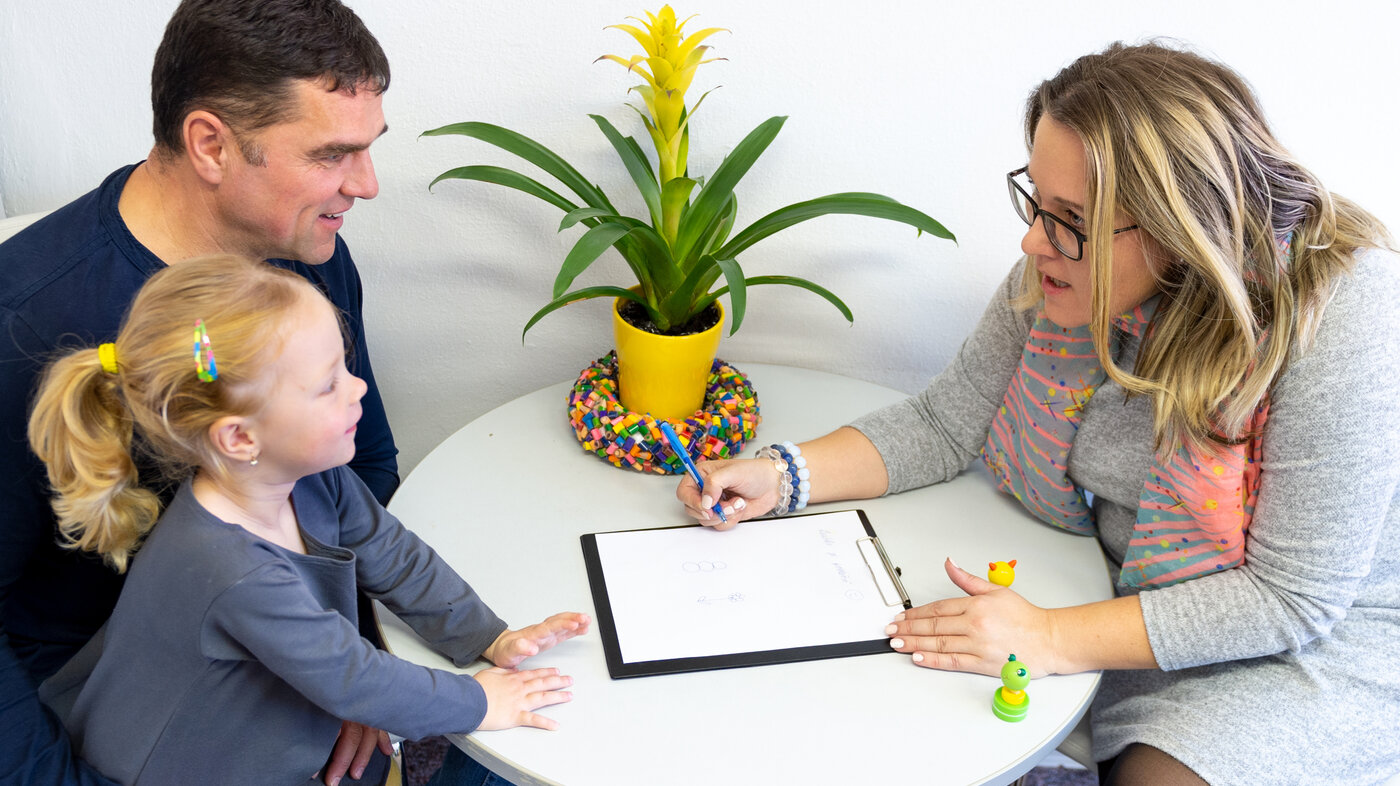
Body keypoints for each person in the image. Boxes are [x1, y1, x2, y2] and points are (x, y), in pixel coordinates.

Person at [677, 41, 1399, 785]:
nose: (1031, 241)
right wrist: (779, 474)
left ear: (1179, 226)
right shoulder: (1060, 275)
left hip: (1313, 644)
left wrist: (1047, 637)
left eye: (1070, 218)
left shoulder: (1345, 311)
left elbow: (1289, 599)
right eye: (1036, 202)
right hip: (1125, 599)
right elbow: (945, 423)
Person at [0, 1, 405, 783]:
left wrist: (345, 659)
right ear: (211, 144)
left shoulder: (308, 255)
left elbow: (365, 467)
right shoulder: (26, 323)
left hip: (282, 657)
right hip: (104, 716)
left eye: (368, 150)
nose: (366, 185)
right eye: (331, 154)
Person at [29, 254, 590, 785]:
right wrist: (483, 703)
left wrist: (488, 636)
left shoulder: (310, 477)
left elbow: (393, 555)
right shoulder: (230, 569)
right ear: (241, 437)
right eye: (328, 385)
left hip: (267, 733)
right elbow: (356, 678)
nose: (359, 387)